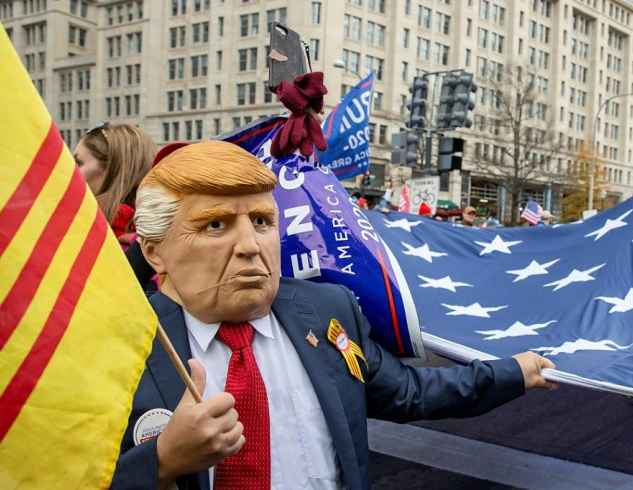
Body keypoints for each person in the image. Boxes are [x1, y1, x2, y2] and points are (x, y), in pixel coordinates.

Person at [111, 140, 557, 490]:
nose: (250, 245)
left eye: (263, 221)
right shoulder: (119, 347)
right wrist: (164, 461)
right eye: (215, 224)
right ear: (154, 252)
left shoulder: (327, 310)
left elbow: (409, 393)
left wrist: (514, 373)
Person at [73, 122, 156, 247]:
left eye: (78, 162)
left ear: (112, 170)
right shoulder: (158, 228)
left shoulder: (83, 224)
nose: (71, 169)